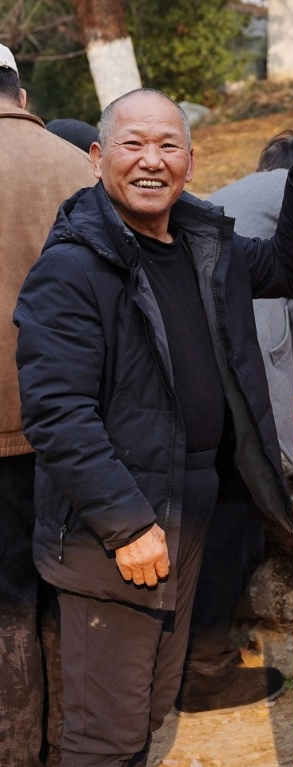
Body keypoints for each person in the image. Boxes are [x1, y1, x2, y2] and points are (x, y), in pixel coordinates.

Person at [14, 88, 293, 766]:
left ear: (190, 159)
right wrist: (125, 524)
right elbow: (56, 411)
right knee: (107, 733)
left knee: (149, 706)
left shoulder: (203, 242)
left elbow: (285, 268)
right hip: (116, 532)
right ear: (96, 158)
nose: (151, 160)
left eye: (167, 145)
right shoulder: (73, 265)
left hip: (188, 511)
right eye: (132, 144)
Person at [175, 130, 293, 716]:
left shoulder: (229, 195)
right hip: (234, 368)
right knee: (241, 514)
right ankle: (205, 671)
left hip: (186, 393)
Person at [0, 44, 95, 767]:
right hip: (75, 427)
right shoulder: (81, 168)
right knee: (67, 589)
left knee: (5, 603)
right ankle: (73, 745)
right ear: (21, 92)